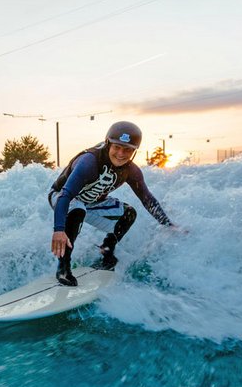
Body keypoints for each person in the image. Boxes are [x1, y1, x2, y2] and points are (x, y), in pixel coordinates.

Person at [50, 121, 175, 286]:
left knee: (129, 213)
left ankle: (106, 250)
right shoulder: (89, 162)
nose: (121, 154)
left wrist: (168, 225)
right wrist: (59, 230)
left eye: (128, 149)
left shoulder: (132, 171)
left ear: (134, 151)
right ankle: (63, 267)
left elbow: (147, 199)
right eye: (117, 147)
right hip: (61, 197)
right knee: (77, 210)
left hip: (93, 202)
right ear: (108, 143)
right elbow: (65, 196)